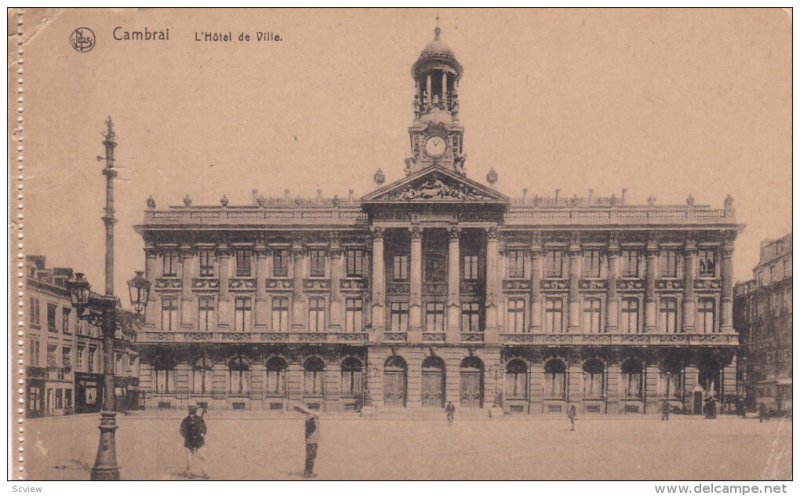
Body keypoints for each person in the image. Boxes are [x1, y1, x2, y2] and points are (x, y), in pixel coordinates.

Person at [179, 403, 209, 479]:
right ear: (189, 410)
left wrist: (202, 433)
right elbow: (182, 430)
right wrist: (187, 436)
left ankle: (204, 473)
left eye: (195, 408)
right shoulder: (185, 420)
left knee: (202, 457)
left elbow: (204, 428)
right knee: (189, 458)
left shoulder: (200, 419)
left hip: (199, 441)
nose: (194, 410)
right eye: (192, 408)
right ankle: (189, 472)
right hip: (189, 442)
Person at [303, 409, 320, 478]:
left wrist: (315, 414)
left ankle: (308, 471)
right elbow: (310, 418)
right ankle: (308, 473)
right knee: (310, 457)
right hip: (311, 442)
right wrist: (313, 414)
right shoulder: (309, 420)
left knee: (312, 457)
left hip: (313, 441)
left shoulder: (313, 420)